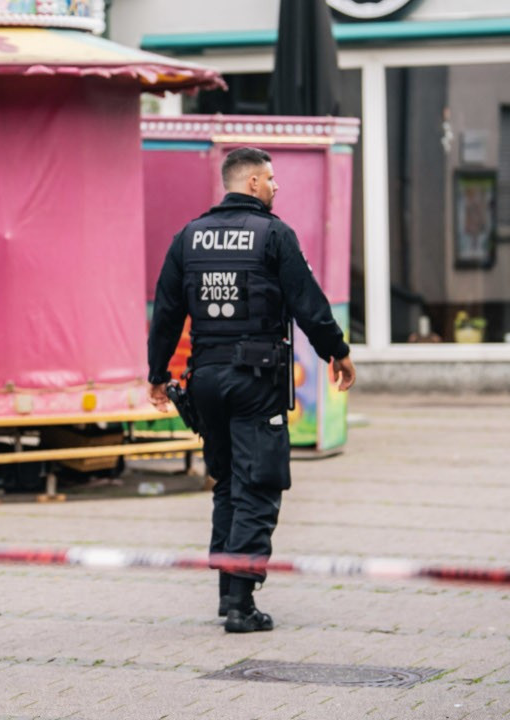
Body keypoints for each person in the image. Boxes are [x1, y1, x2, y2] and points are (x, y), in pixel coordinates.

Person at [147, 148, 356, 633]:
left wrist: (157, 373)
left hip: (207, 381)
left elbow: (166, 312)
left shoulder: (188, 237)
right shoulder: (274, 235)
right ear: (254, 183)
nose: (277, 186)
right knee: (258, 484)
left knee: (226, 484)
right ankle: (242, 605)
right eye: (272, 178)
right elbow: (308, 302)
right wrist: (337, 352)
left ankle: (227, 593)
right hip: (255, 381)